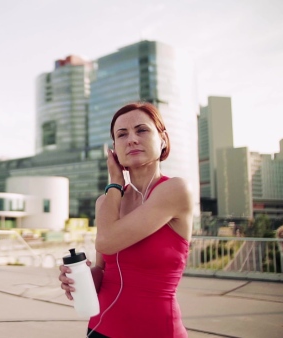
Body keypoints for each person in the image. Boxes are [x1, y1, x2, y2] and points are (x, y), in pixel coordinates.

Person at [58, 102, 193, 338]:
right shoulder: (106, 202)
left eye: (141, 130)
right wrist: (81, 279)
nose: (131, 139)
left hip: (157, 331)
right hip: (100, 328)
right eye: (122, 134)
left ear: (162, 140)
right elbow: (103, 266)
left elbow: (107, 241)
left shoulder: (175, 189)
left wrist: (114, 180)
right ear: (114, 149)